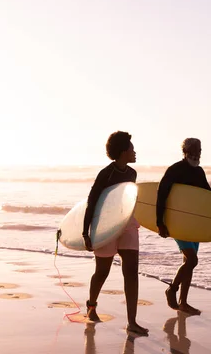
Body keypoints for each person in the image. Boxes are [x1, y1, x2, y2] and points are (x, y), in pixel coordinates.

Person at [82, 131, 148, 335]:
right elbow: (92, 201)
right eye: (131, 148)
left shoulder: (132, 173)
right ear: (123, 151)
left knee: (131, 273)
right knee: (102, 271)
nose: (134, 151)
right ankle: (91, 306)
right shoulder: (106, 174)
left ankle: (132, 322)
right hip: (105, 226)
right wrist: (86, 233)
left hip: (127, 224)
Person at [156, 138, 211, 315]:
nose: (196, 156)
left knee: (189, 262)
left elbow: (209, 196)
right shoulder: (174, 170)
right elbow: (161, 195)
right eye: (193, 152)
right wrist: (160, 222)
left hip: (193, 224)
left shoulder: (199, 172)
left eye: (199, 152)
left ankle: (184, 303)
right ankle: (172, 289)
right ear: (185, 152)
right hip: (177, 221)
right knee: (192, 260)